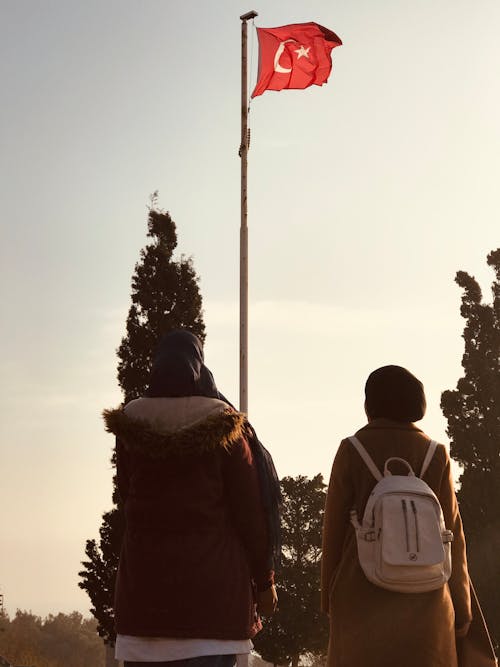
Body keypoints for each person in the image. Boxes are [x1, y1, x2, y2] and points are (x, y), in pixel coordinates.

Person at [103, 330, 279, 667]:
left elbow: (127, 496)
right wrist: (264, 580)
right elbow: (250, 514)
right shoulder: (224, 426)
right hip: (212, 609)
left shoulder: (131, 427)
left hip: (144, 606)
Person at [321, 365, 472, 667]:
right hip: (428, 602)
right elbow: (452, 535)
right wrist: (462, 608)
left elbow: (334, 531)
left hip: (362, 602)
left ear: (369, 403)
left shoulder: (352, 450)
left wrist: (329, 598)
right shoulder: (436, 453)